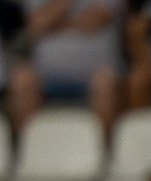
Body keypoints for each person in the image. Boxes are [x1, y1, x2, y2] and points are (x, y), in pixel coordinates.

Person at [8, 0, 124, 133]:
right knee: (21, 77)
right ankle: (29, 147)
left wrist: (54, 22)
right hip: (45, 75)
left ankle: (103, 150)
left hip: (94, 75)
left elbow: (93, 20)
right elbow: (37, 23)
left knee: (105, 81)